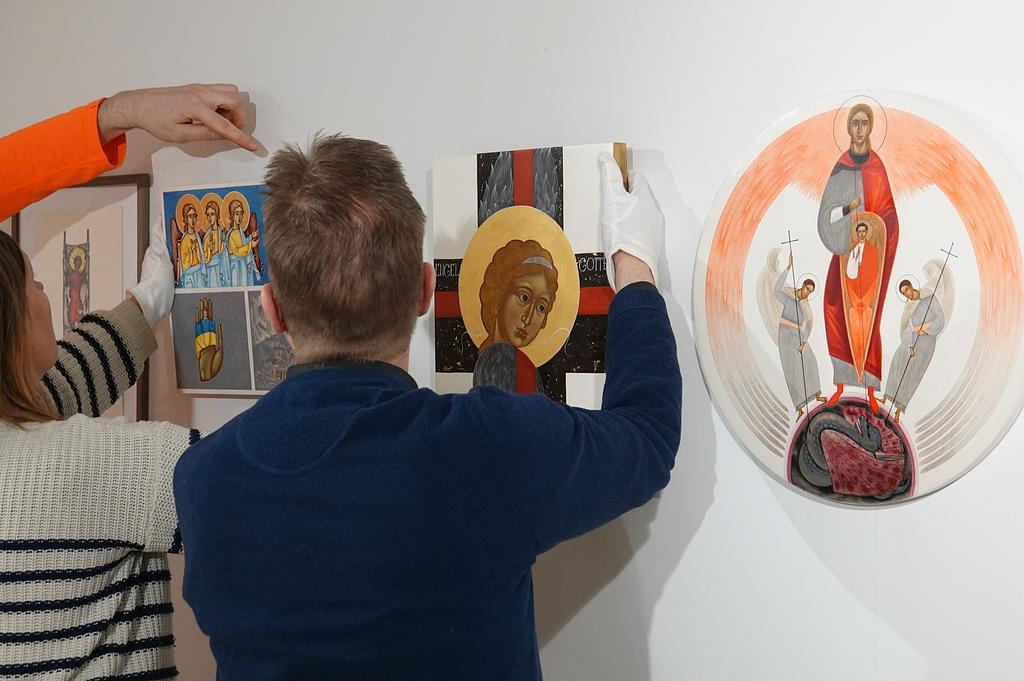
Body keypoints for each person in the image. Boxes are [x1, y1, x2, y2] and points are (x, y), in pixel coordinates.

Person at [174, 137, 680, 679]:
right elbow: (647, 437)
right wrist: (635, 265)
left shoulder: (203, 480)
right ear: (424, 290)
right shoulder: (486, 448)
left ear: (272, 309)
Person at [0, 83, 256, 680]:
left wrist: (145, 306)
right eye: (31, 282)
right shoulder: (106, 466)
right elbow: (268, 494)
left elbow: (51, 393)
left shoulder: (38, 433)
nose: (44, 289)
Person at [817, 103, 900, 411]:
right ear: (849, 128)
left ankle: (871, 389)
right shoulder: (840, 168)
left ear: (871, 127)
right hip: (844, 253)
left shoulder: (877, 166)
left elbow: (889, 213)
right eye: (855, 123)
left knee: (869, 316)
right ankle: (841, 384)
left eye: (865, 123)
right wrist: (849, 210)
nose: (860, 129)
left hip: (872, 258)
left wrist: (879, 229)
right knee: (834, 308)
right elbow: (825, 215)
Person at [473, 238, 559, 395]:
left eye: (541, 307)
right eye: (524, 297)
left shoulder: (526, 366)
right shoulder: (496, 358)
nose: (528, 318)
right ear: (498, 296)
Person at [774, 253, 824, 419]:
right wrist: (788, 268)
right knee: (790, 369)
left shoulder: (805, 304)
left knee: (811, 361)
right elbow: (776, 290)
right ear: (803, 286)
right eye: (808, 289)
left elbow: (809, 324)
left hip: (798, 336)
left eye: (811, 292)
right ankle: (799, 407)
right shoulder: (789, 295)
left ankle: (816, 395)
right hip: (785, 336)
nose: (808, 293)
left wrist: (803, 341)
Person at [225, 198, 259, 285]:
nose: (239, 216)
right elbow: (237, 251)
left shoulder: (240, 231)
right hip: (236, 267)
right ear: (232, 216)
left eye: (241, 213)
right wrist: (250, 245)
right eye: (237, 214)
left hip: (242, 265)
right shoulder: (231, 235)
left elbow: (242, 244)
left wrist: (251, 237)